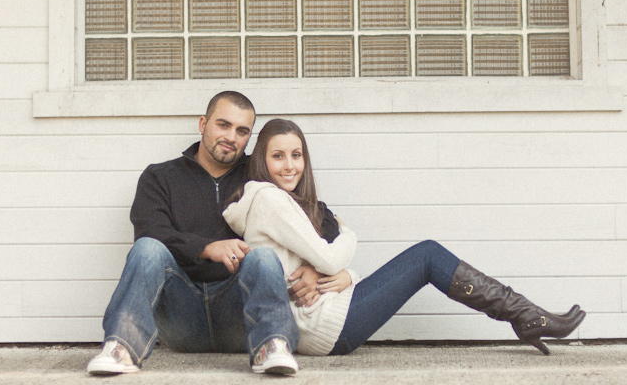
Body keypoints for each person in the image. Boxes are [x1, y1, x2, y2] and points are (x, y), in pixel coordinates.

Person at [223, 118, 586, 357]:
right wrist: (348, 233)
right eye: (278, 156)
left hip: (328, 316)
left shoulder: (283, 203)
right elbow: (331, 259)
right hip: (322, 328)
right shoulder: (269, 198)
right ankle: (526, 316)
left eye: (297, 155)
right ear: (261, 162)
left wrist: (349, 276)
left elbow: (325, 269)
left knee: (426, 255)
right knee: (427, 256)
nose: (290, 165)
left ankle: (527, 316)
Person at [87, 92, 340, 376]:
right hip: (181, 317)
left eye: (242, 131)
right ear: (203, 124)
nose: (232, 137)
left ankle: (272, 346)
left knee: (263, 257)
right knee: (147, 248)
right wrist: (207, 247)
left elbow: (323, 220)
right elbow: (150, 231)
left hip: (240, 316)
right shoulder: (160, 176)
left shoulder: (258, 176)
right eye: (223, 125)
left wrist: (314, 268)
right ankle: (121, 348)